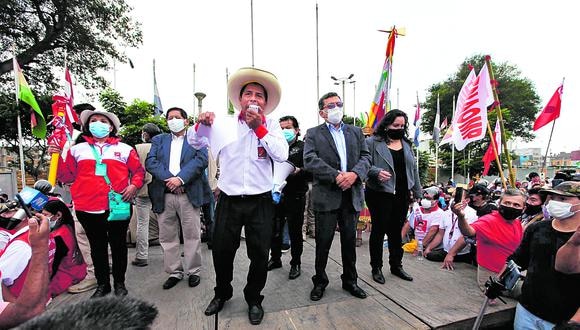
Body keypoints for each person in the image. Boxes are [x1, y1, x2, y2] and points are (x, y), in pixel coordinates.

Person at [191, 67, 288, 325]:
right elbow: (194, 141)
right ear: (240, 99)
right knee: (222, 251)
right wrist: (200, 123)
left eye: (259, 95)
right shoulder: (222, 123)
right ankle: (222, 293)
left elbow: (281, 155)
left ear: (265, 103)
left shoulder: (273, 126)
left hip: (260, 202)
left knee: (259, 254)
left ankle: (254, 298)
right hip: (229, 200)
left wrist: (260, 129)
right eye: (249, 94)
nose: (253, 99)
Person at [50, 109, 145, 298]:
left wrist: (133, 187)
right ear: (87, 126)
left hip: (118, 205)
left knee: (118, 246)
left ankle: (119, 283)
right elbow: (66, 176)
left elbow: (139, 172)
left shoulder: (125, 149)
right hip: (87, 207)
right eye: (94, 120)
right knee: (97, 247)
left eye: (103, 121)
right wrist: (58, 157)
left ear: (111, 127)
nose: (98, 123)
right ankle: (103, 284)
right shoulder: (77, 150)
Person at [303, 92, 371, 301]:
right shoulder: (313, 133)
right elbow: (310, 159)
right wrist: (336, 176)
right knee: (323, 242)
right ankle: (320, 281)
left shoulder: (356, 132)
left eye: (338, 104)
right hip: (327, 195)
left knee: (349, 242)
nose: (336, 108)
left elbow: (366, 157)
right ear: (322, 112)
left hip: (351, 196)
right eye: (330, 105)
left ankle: (350, 280)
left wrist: (354, 175)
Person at [146, 107, 210, 290]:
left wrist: (181, 179)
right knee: (167, 236)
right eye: (170, 118)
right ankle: (174, 271)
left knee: (192, 234)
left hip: (188, 194)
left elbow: (200, 161)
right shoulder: (159, 140)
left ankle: (193, 271)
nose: (173, 120)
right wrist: (170, 181)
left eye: (177, 117)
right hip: (164, 194)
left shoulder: (196, 139)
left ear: (186, 121)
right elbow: (151, 162)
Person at [507, 181, 580, 328]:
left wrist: (575, 322)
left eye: (563, 199)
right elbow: (518, 261)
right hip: (527, 311)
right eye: (552, 198)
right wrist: (499, 281)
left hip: (564, 320)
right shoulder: (537, 228)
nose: (555, 203)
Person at [364, 109, 421, 284]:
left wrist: (418, 191)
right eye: (396, 125)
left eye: (403, 125)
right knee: (379, 231)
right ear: (387, 124)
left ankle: (396, 265)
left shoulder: (406, 143)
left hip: (402, 194)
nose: (399, 128)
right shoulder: (373, 142)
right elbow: (363, 164)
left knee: (396, 232)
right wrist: (375, 172)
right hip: (380, 193)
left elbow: (413, 169)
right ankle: (376, 267)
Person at [453, 188, 525, 290]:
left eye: (516, 205)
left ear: (523, 208)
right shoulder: (489, 221)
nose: (511, 207)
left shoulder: (517, 223)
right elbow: (468, 232)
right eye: (507, 203)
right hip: (493, 278)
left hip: (511, 272)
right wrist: (461, 217)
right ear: (499, 203)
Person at [267, 115, 309, 280]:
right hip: (276, 195)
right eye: (281, 128)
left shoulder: (304, 147)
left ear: (297, 130)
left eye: (288, 128)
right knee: (274, 229)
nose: (284, 131)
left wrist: (299, 171)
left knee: (294, 231)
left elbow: (311, 169)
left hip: (295, 194)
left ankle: (295, 263)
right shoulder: (275, 148)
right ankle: (275, 258)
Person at [66, 103, 98, 294]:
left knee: (84, 235)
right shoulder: (80, 141)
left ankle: (94, 274)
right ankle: (103, 267)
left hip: (88, 197)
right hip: (89, 196)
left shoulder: (80, 141)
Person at [0, 214, 51, 328]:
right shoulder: (35, 237)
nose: (3, 214)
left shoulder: (21, 244)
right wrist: (40, 249)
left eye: (9, 211)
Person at [131, 123, 162, 267]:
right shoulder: (163, 146)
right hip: (160, 189)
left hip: (141, 189)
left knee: (142, 223)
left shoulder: (137, 148)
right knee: (166, 223)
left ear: (146, 134)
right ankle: (170, 255)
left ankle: (141, 256)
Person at [425, 188, 478, 269]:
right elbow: (440, 234)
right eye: (452, 196)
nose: (452, 200)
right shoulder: (446, 213)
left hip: (462, 254)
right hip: (446, 251)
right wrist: (429, 248)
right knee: (429, 256)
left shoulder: (472, 214)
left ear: (466, 200)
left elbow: (466, 237)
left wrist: (451, 254)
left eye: (456, 197)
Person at [42, 200, 87, 297]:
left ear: (58, 215)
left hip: (65, 276)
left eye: (45, 215)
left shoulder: (58, 236)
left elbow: (54, 265)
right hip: (80, 270)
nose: (43, 218)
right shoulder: (69, 226)